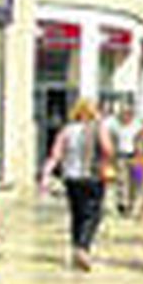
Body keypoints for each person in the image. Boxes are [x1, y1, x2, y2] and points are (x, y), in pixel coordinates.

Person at [38, 99, 113, 271]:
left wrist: (46, 175)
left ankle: (76, 248)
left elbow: (55, 154)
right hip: (92, 175)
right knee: (93, 214)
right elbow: (108, 149)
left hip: (71, 177)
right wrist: (106, 161)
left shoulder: (67, 130)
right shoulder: (97, 127)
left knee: (77, 213)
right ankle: (83, 247)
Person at [109, 106, 140, 216]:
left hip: (136, 157)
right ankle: (123, 204)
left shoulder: (137, 125)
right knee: (121, 180)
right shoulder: (115, 127)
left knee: (136, 180)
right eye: (123, 114)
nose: (125, 117)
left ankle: (133, 203)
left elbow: (141, 140)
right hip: (121, 156)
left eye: (128, 114)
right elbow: (111, 140)